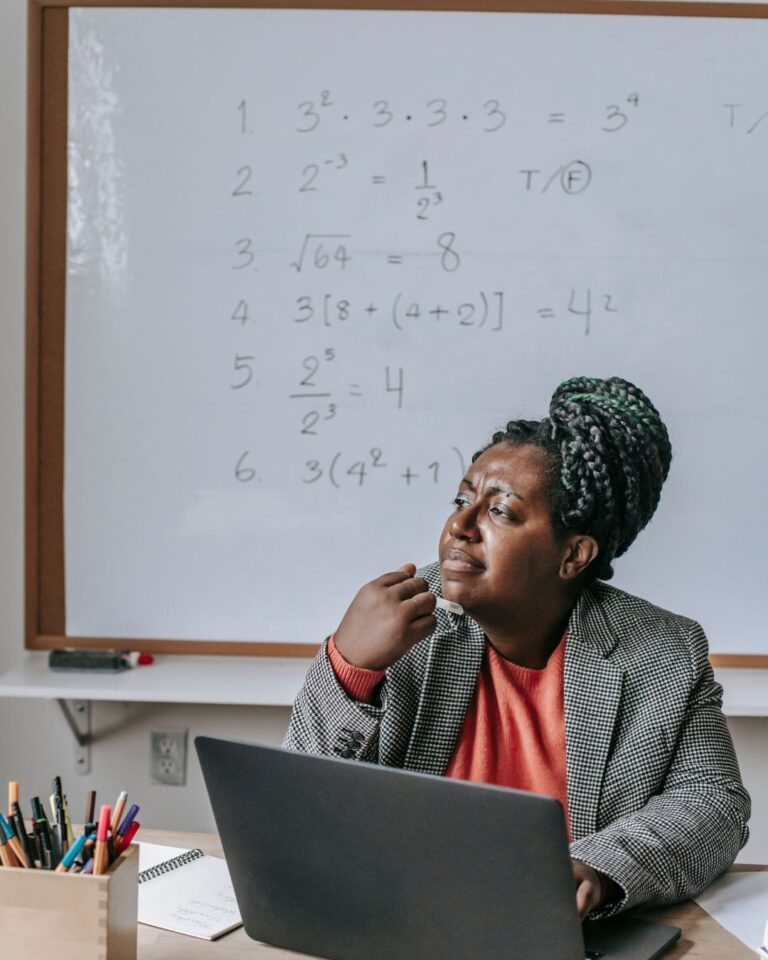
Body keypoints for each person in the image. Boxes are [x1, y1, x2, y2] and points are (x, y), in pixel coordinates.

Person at [284, 376, 750, 920]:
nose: (459, 526)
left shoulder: (664, 651)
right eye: (461, 499)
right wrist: (348, 665)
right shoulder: (399, 623)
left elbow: (713, 805)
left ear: (574, 555)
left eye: (500, 512)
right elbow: (295, 811)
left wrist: (598, 869)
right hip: (400, 920)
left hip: (555, 936)